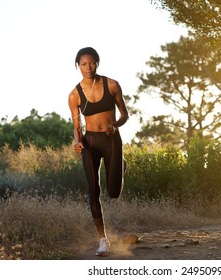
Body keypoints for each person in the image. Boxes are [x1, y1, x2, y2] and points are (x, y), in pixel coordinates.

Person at [68, 47, 129, 256]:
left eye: (92, 63)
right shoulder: (74, 95)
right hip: (90, 143)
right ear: (78, 65)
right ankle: (103, 240)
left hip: (111, 139)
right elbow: (77, 128)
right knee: (93, 190)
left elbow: (124, 115)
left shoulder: (111, 85)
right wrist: (78, 143)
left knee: (114, 192)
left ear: (97, 63)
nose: (88, 67)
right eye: (83, 64)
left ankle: (121, 165)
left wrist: (116, 125)